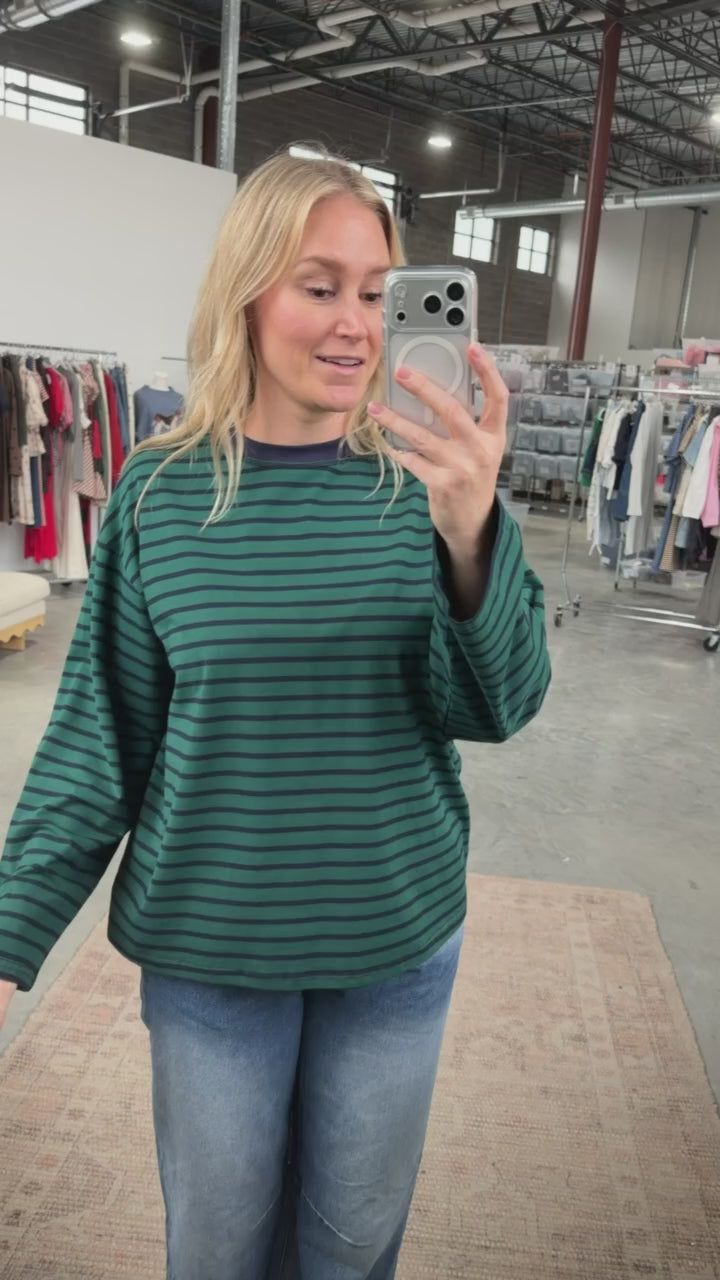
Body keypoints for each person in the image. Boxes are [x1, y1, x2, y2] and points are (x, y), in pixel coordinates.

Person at [0, 150, 551, 1280]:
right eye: (320, 286)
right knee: (216, 1244)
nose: (357, 324)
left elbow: (498, 705)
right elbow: (102, 739)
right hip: (210, 952)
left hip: (393, 938)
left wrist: (470, 532)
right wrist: (9, 935)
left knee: (351, 1245)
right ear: (247, 292)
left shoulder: (430, 485)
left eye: (378, 292)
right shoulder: (160, 493)